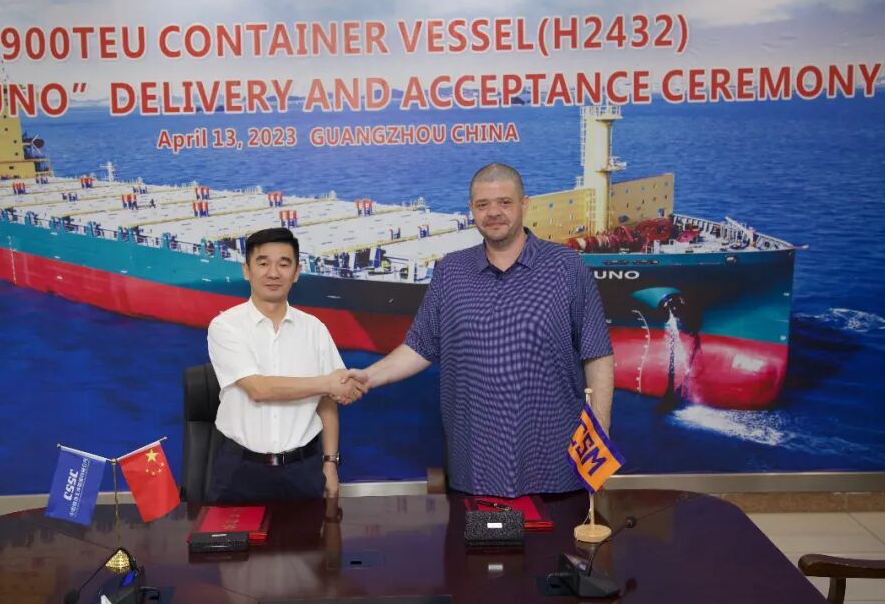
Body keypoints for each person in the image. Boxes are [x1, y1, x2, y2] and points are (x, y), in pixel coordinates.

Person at [344, 163, 615, 497]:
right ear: (471, 209)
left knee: (558, 533)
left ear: (524, 204)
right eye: (483, 204)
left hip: (556, 466)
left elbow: (597, 353)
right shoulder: (451, 271)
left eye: (505, 202)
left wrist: (599, 434)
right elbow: (420, 346)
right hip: (476, 469)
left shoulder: (567, 267)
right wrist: (367, 377)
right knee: (484, 534)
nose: (494, 212)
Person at [206, 227, 363, 502]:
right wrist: (328, 383)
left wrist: (330, 463)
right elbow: (259, 389)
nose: (273, 273)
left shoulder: (315, 329)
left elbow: (328, 402)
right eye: (263, 263)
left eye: (284, 264)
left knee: (311, 533)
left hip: (304, 471)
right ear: (246, 270)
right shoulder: (225, 326)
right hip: (239, 471)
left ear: (297, 272)